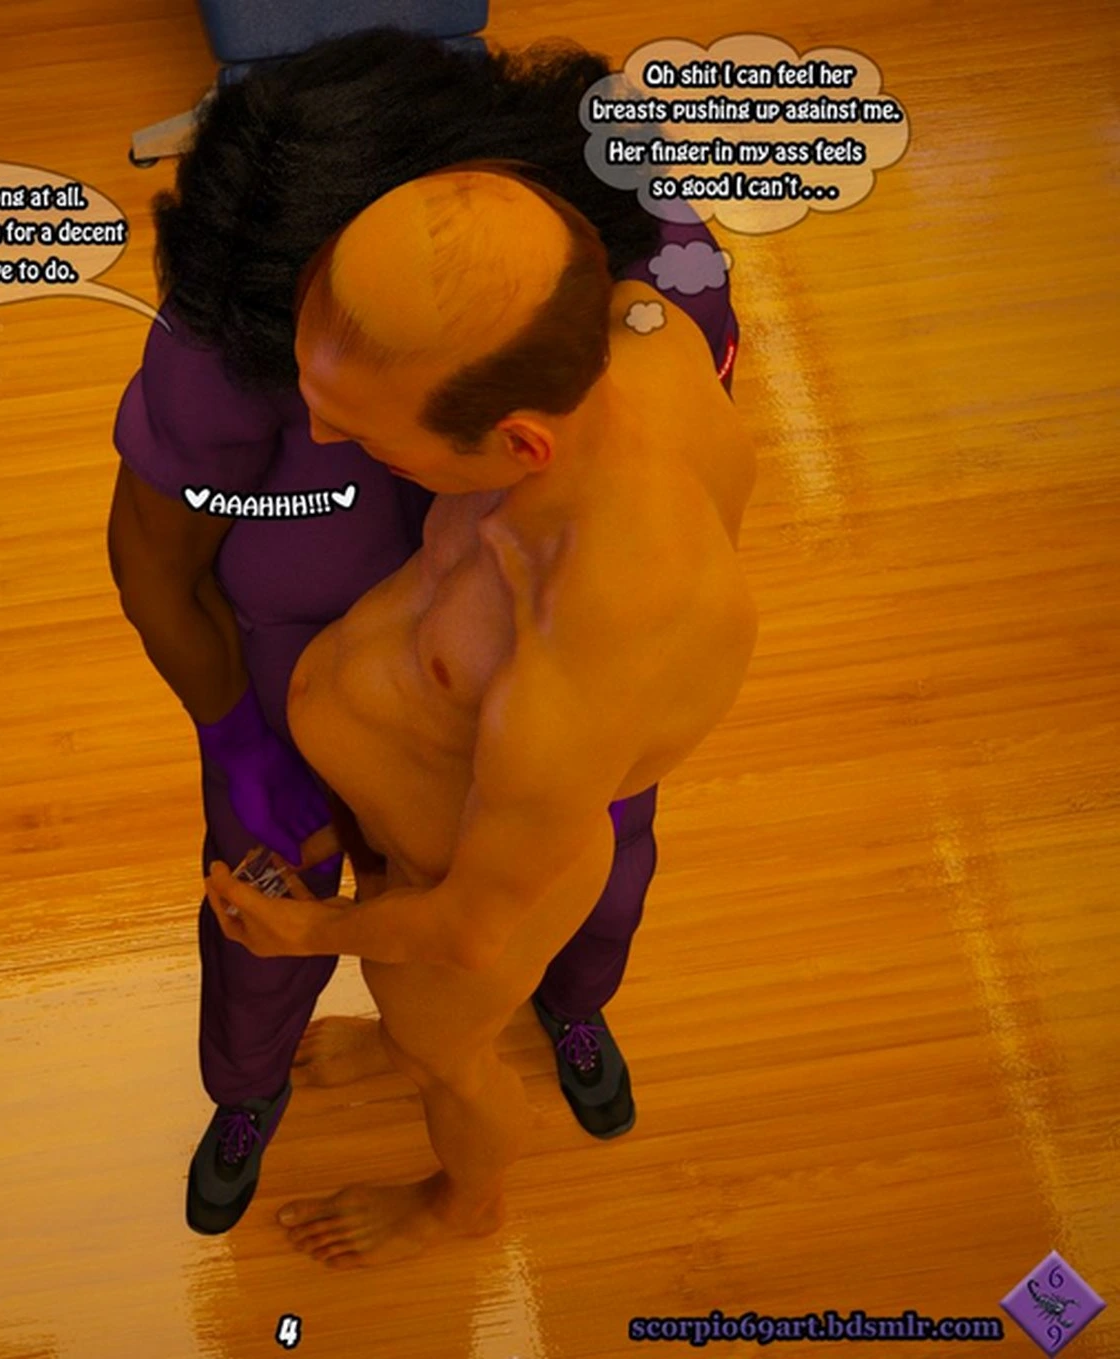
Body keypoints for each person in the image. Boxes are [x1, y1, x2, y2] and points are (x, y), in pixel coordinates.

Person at [107, 29, 739, 1238]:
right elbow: (153, 561)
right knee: (269, 926)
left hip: (510, 795)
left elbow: (474, 915)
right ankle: (250, 1089)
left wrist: (332, 919)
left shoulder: (583, 625)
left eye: (355, 423)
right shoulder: (327, 305)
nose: (319, 434)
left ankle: (544, 1045)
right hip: (361, 720)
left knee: (481, 991)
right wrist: (245, 745)